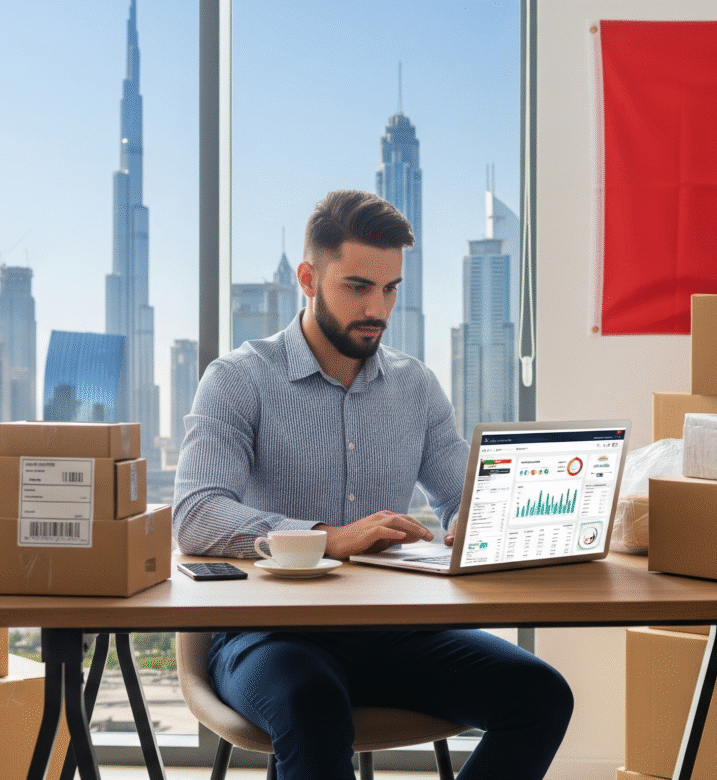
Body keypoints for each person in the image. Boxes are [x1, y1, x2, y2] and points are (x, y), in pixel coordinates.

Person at [173, 189, 573, 779]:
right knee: (313, 708)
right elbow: (196, 515)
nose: (377, 309)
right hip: (272, 633)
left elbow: (461, 493)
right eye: (358, 287)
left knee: (541, 696)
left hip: (397, 630)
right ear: (309, 278)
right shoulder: (239, 378)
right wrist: (326, 538)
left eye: (390, 289)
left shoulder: (415, 386)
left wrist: (476, 521)